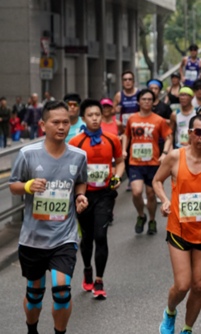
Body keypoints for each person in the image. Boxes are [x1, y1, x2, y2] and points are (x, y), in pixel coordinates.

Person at [9, 100, 89, 334]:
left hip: (64, 236)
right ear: (43, 125)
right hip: (33, 238)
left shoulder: (78, 156)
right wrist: (28, 186)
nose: (62, 126)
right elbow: (13, 185)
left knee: (62, 292)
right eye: (56, 122)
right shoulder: (27, 154)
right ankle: (32, 329)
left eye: (66, 122)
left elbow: (81, 181)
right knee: (34, 294)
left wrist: (80, 196)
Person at [153, 114, 201, 334]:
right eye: (199, 132)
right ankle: (170, 312)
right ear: (189, 133)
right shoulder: (175, 157)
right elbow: (157, 180)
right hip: (178, 228)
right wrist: (165, 199)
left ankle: (187, 329)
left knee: (198, 286)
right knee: (183, 285)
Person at [69, 99, 124, 300]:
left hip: (105, 194)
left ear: (102, 116)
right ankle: (87, 268)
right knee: (88, 238)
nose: (94, 118)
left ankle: (99, 280)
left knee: (101, 236)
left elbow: (119, 162)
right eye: (90, 115)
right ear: (83, 118)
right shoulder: (75, 143)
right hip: (84, 196)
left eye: (97, 115)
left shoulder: (112, 140)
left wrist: (117, 177)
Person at [122, 89, 173, 235]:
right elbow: (126, 135)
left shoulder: (158, 119)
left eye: (150, 99)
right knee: (137, 192)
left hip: (153, 163)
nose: (146, 102)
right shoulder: (132, 118)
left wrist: (164, 153)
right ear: (138, 102)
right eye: (144, 99)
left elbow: (169, 137)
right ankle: (141, 215)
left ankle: (152, 219)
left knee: (151, 194)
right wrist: (124, 150)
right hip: (135, 163)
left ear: (153, 102)